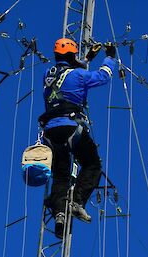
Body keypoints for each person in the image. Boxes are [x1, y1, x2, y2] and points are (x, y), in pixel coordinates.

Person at [38, 38, 116, 239]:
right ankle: (77, 202)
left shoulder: (48, 75)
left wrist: (88, 57)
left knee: (61, 174)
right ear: (72, 55)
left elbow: (69, 72)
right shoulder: (79, 75)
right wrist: (110, 57)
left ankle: (59, 212)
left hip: (50, 133)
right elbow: (103, 77)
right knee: (92, 165)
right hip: (71, 127)